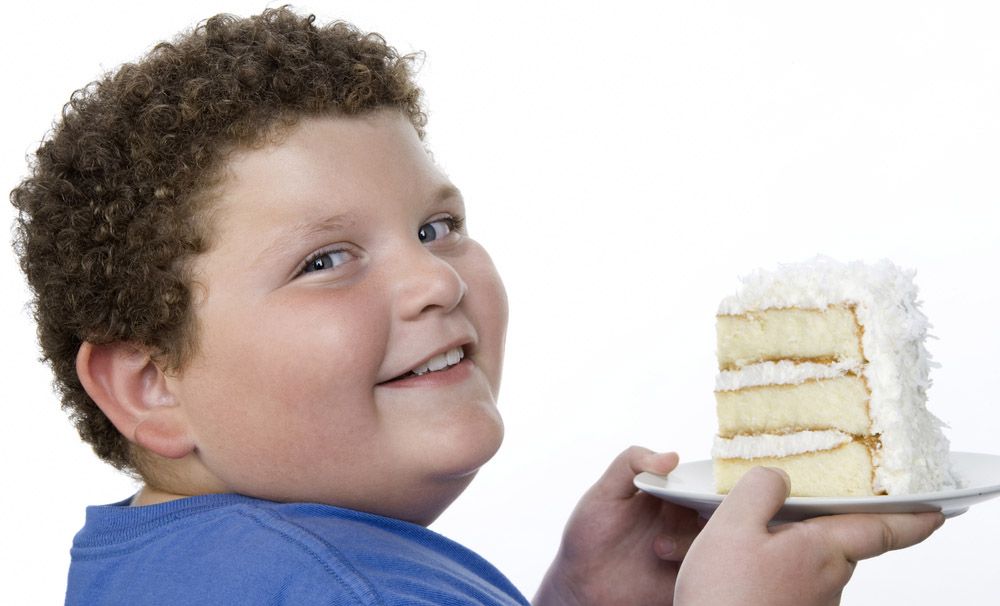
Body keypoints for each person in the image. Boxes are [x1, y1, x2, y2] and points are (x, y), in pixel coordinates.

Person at [10, 7, 943, 605]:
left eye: (437, 227)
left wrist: (574, 600)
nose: (436, 281)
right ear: (151, 385)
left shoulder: (199, 567)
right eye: (326, 259)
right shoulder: (332, 589)